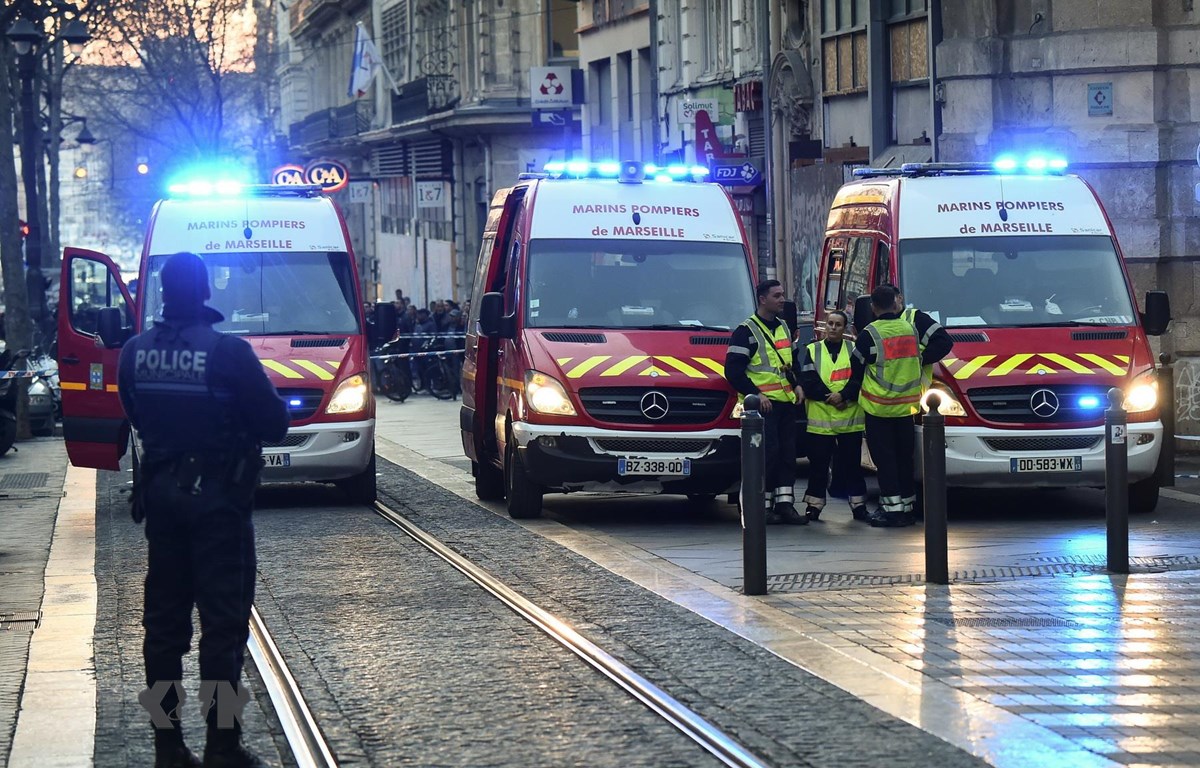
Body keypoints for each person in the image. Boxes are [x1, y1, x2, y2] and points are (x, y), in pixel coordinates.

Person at [118, 252, 289, 767]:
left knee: (163, 628)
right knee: (224, 628)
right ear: (206, 290)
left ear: (164, 291)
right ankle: (223, 745)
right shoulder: (227, 352)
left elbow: (134, 411)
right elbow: (274, 425)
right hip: (218, 506)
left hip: (162, 503)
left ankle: (167, 746)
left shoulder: (134, 352)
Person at [842, 284, 952, 527]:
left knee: (885, 462)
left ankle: (892, 512)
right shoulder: (911, 330)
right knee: (905, 459)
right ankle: (908, 507)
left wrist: (846, 395)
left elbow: (857, 369)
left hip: (878, 409)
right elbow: (935, 347)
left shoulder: (870, 334)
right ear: (895, 302)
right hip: (907, 409)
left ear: (873, 307)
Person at [724, 279, 804, 525]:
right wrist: (757, 394)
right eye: (777, 296)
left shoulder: (782, 326)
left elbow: (790, 361)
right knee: (766, 456)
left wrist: (798, 383)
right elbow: (733, 371)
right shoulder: (745, 331)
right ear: (762, 299)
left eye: (782, 295)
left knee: (787, 456)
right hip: (760, 408)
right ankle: (759, 506)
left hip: (785, 403)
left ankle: (784, 504)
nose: (782, 300)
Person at [798, 309, 868, 522]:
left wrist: (844, 395)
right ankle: (814, 506)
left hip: (849, 422)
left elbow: (860, 379)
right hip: (821, 422)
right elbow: (808, 381)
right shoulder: (812, 350)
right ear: (824, 326)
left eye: (838, 324)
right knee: (818, 467)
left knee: (852, 467)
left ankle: (859, 507)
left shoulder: (854, 349)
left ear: (845, 328)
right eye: (830, 323)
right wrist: (833, 397)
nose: (833, 328)